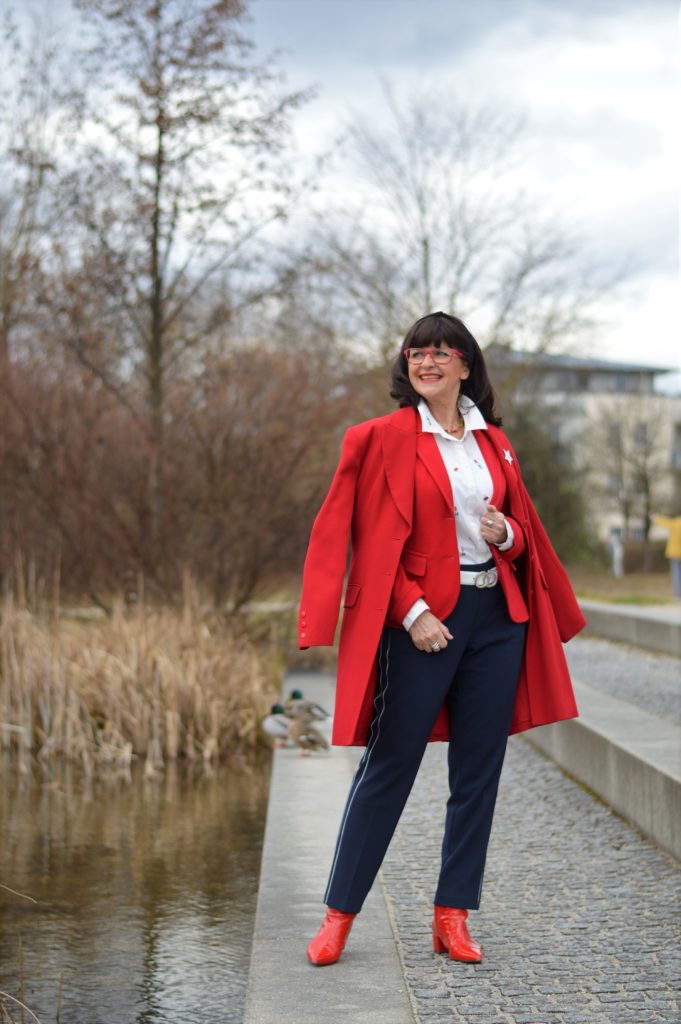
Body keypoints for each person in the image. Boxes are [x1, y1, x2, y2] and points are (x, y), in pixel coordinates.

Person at [298, 312, 586, 967]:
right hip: (422, 625)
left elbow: (521, 528)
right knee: (388, 768)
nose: (426, 362)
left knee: (478, 772)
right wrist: (412, 611)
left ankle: (451, 917)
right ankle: (338, 917)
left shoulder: (493, 441)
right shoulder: (379, 438)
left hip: (496, 621)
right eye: (416, 353)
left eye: (440, 352)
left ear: (464, 365)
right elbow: (369, 540)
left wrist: (507, 535)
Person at [650, 512, 681, 598]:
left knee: (676, 574)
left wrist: (656, 518)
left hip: (674, 553)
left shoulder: (676, 523)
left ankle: (678, 594)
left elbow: (666, 523)